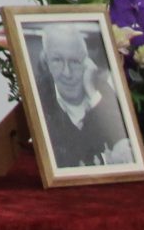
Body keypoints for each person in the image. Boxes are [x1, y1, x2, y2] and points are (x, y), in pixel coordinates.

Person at [32, 26, 135, 170]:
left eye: (74, 61)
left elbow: (122, 141)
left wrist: (91, 91)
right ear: (46, 62)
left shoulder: (103, 90)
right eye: (57, 60)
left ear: (87, 63)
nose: (67, 73)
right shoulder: (38, 96)